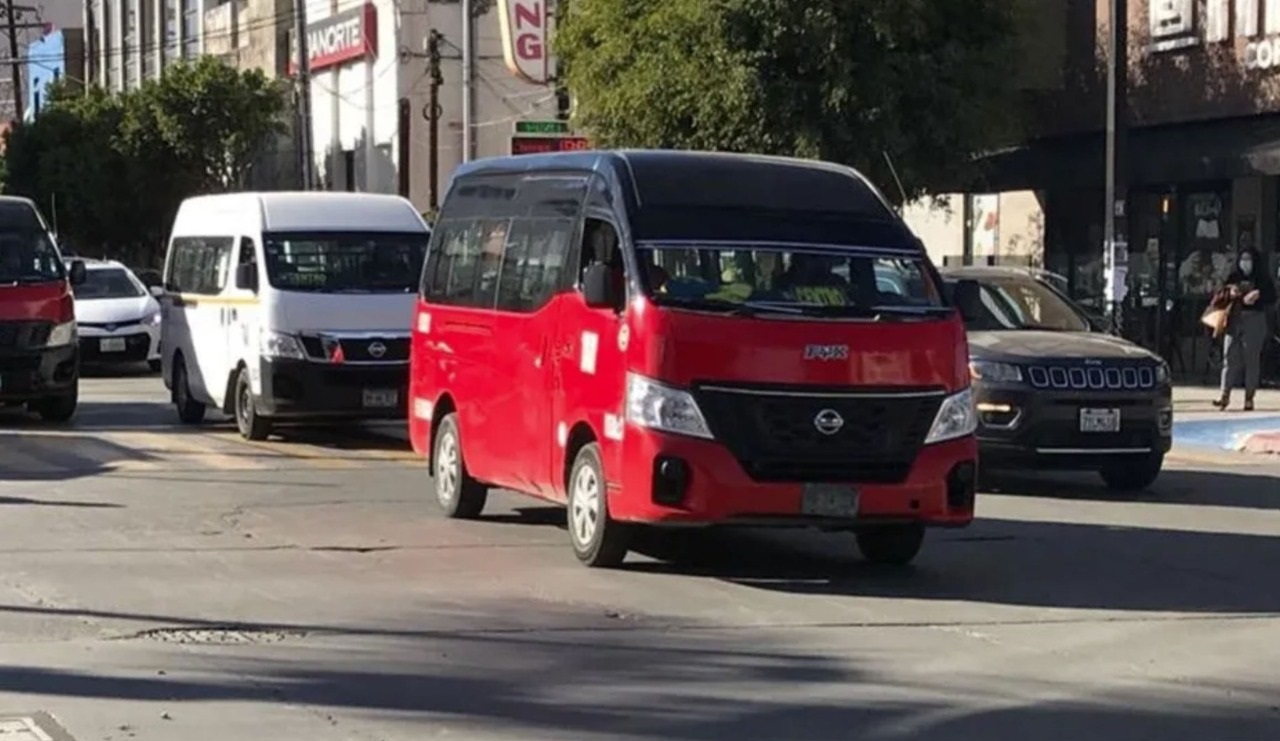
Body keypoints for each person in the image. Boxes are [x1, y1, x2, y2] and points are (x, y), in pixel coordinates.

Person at [1214, 246, 1275, 411]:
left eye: (1249, 259)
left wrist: (1258, 294)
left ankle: (1249, 397)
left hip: (1255, 318)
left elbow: (1272, 296)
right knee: (1229, 357)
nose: (1245, 263)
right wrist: (1230, 292)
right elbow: (1221, 293)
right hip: (1235, 319)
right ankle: (1224, 395)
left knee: (1251, 359)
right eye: (1243, 259)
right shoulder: (1234, 276)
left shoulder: (1262, 278)